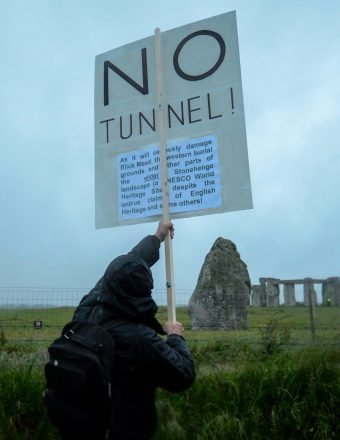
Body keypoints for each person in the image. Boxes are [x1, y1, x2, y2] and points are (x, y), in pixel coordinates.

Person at [71, 221, 195, 440]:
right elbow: (183, 374)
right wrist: (175, 337)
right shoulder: (139, 339)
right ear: (142, 293)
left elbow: (126, 265)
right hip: (124, 429)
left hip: (82, 424)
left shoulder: (87, 309)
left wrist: (157, 237)